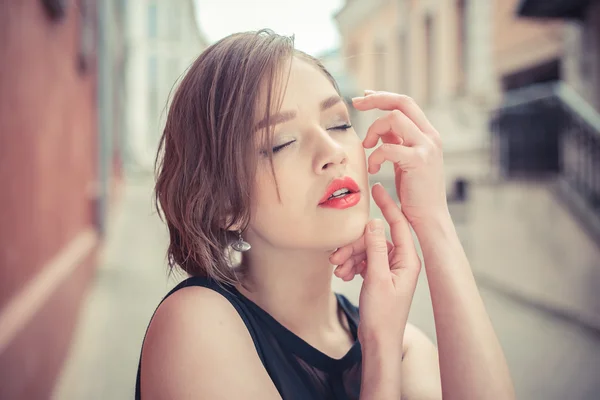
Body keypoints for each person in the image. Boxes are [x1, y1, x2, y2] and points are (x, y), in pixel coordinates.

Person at [136, 30, 514, 399]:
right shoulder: (196, 326)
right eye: (282, 143)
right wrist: (379, 358)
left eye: (339, 123)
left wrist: (433, 221)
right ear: (224, 204)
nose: (333, 151)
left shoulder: (399, 337)